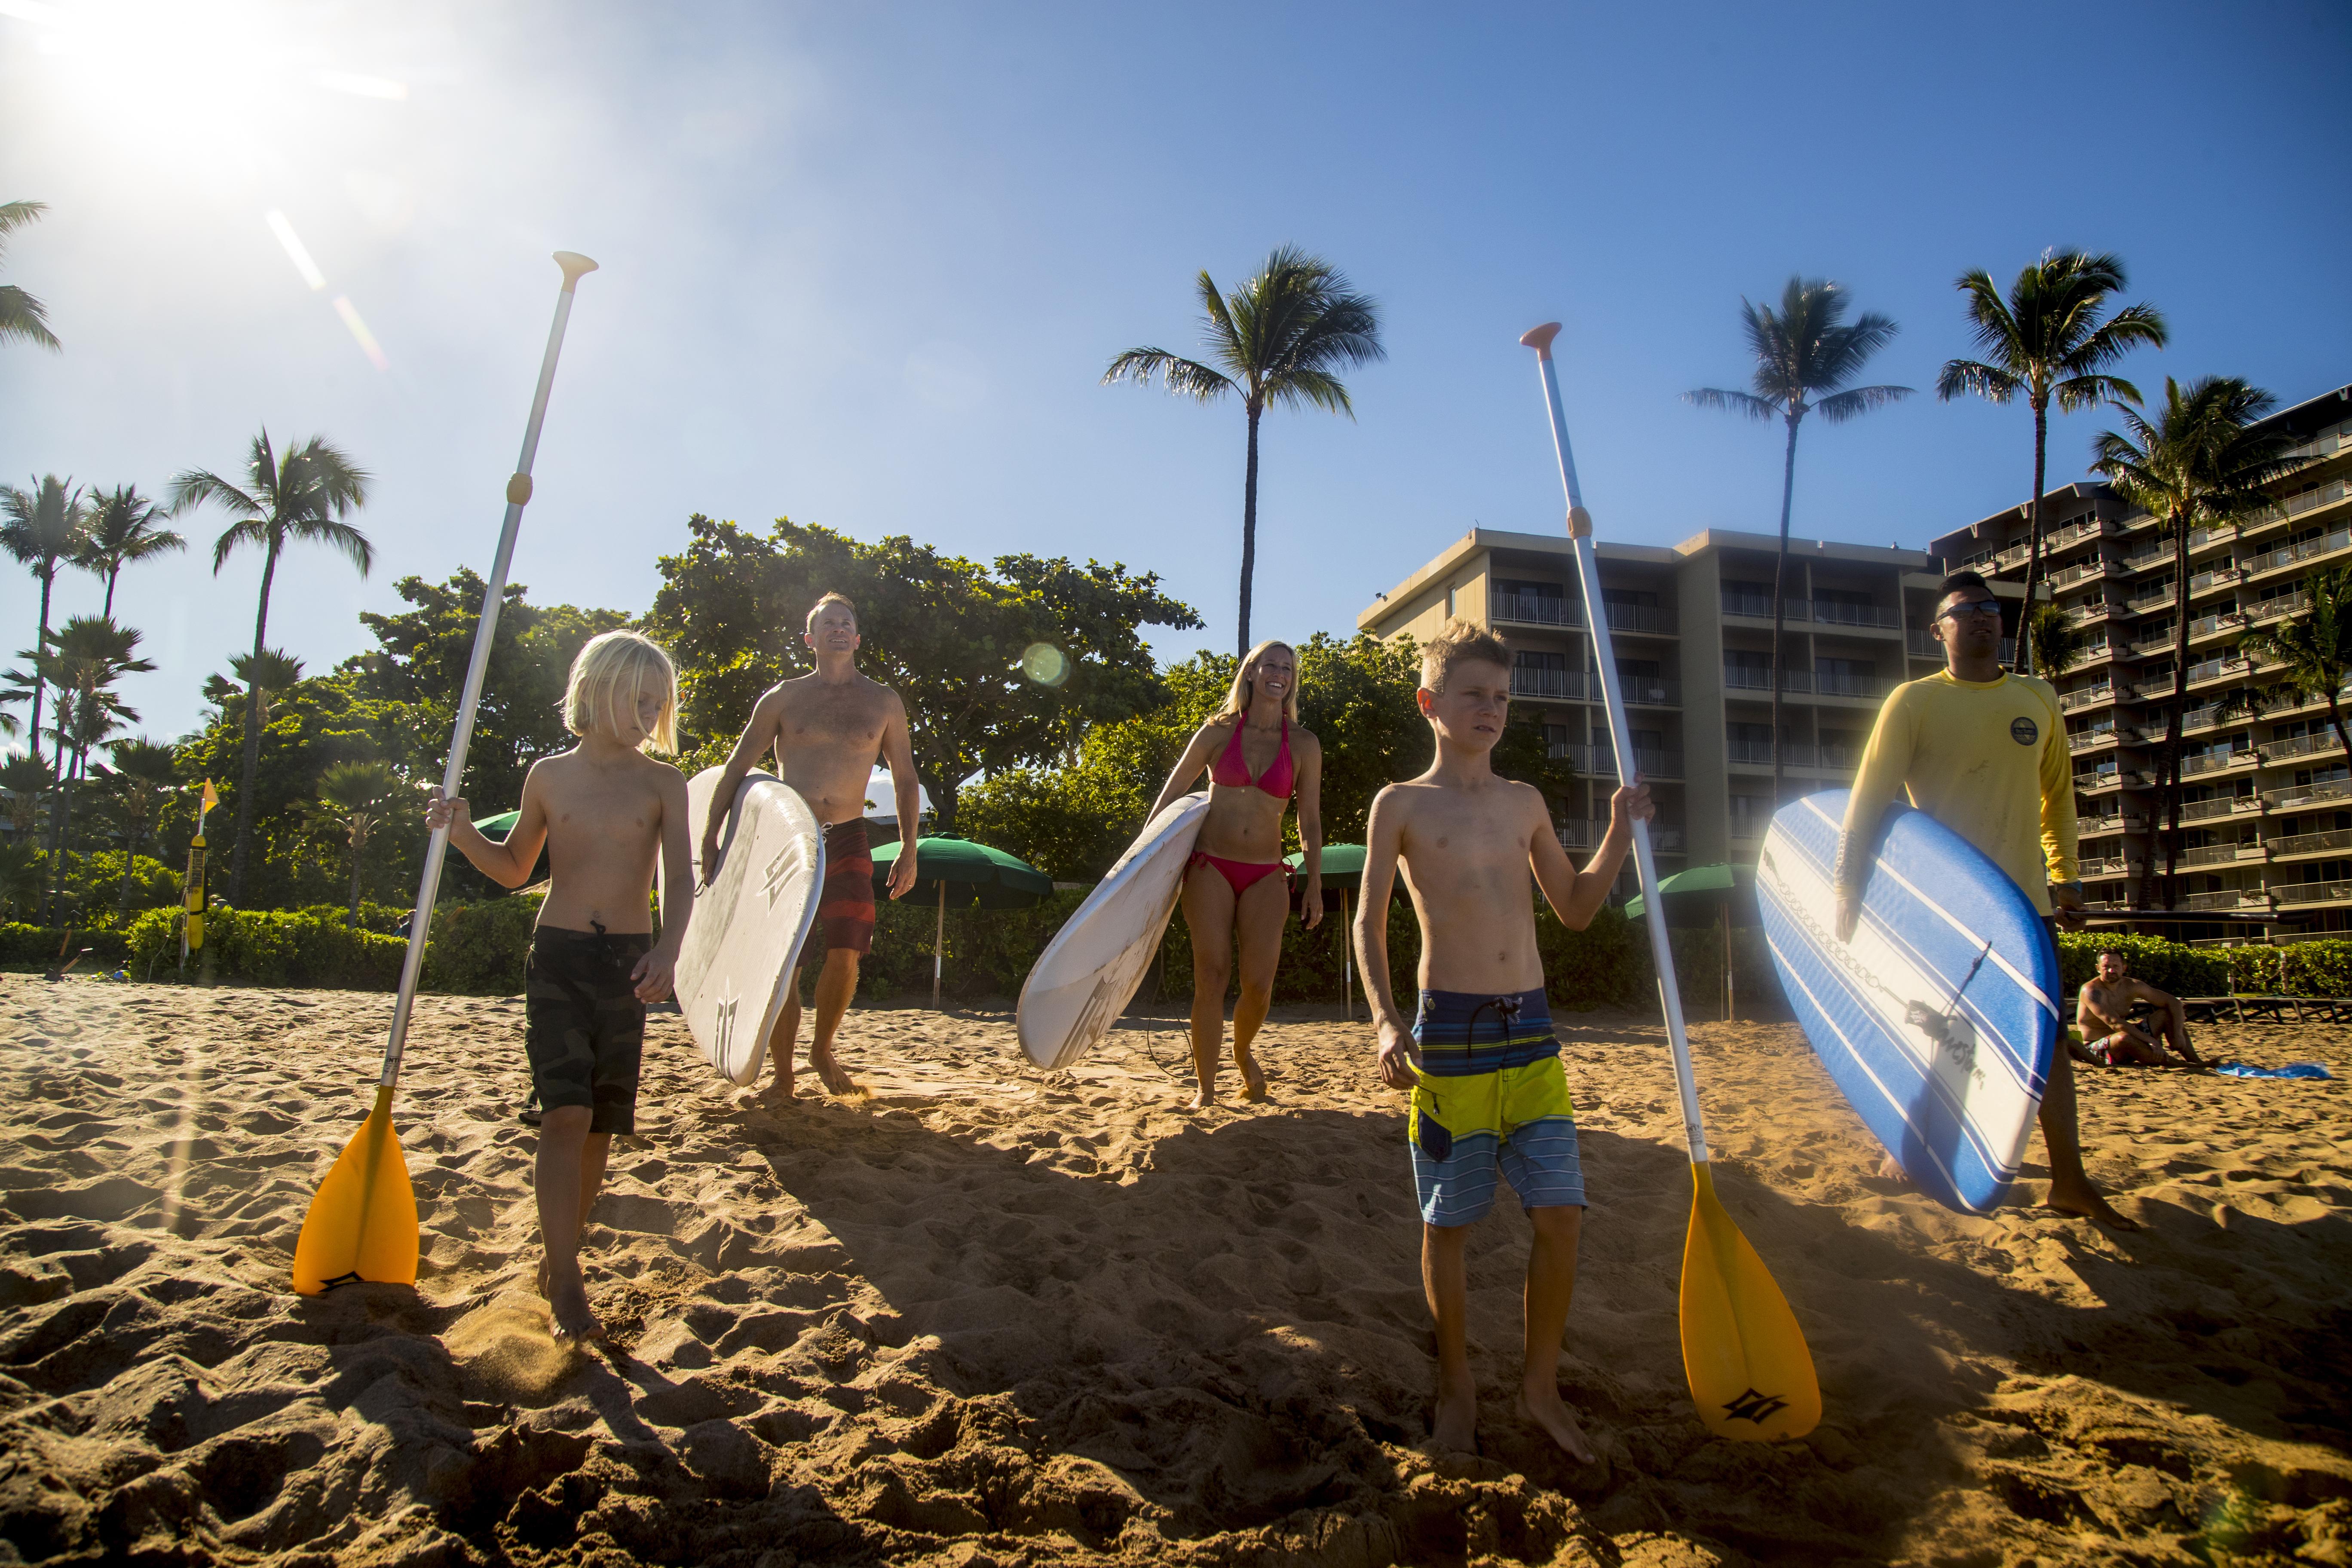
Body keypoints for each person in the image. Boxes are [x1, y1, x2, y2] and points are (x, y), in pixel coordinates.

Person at [1356, 619, 1652, 1460]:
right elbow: (1369, 924)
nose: (1492, 709)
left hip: (1534, 1033)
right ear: (1430, 703)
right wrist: (1384, 1019)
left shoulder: (1525, 803)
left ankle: (1539, 1388)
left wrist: (1620, 832)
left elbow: (1577, 907)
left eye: (1502, 696)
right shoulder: (1400, 805)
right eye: (1474, 694)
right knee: (1448, 1222)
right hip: (1447, 1034)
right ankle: (1456, 1385)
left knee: (1562, 1215)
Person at [1833, 570, 2135, 1229]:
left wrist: (2070, 877)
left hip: (2027, 903)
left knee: (2048, 1044)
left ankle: (2070, 1179)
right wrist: (1847, 885)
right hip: (1944, 905)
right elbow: (1867, 801)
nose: (1981, 618)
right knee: (1928, 1029)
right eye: (1963, 610)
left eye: (1990, 609)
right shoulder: (1913, 702)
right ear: (1937, 630)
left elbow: (2060, 799)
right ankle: (1907, 1148)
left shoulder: (2037, 698)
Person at [426, 630, 693, 1341]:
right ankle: (567, 1274)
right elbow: (515, 867)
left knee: (601, 1125)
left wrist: (670, 947)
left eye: (656, 702)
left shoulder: (663, 783)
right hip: (559, 955)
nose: (647, 712)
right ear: (596, 690)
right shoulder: (547, 775)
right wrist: (459, 835)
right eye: (636, 697)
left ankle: (559, 1256)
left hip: (630, 961)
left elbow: (680, 877)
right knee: (564, 1113)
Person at [703, 592, 920, 1098]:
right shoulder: (782, 698)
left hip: (848, 834)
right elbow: (737, 768)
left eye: (847, 622)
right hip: (788, 840)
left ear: (858, 638)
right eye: (828, 624)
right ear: (811, 639)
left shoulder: (883, 701)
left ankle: (821, 1050)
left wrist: (911, 847)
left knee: (847, 953)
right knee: (787, 961)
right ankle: (783, 1076)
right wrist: (711, 837)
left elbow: (906, 777)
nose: (839, 629)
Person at [1145, 640, 1325, 1107]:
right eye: (1270, 664)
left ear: (1292, 679)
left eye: (1287, 668)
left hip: (1267, 873)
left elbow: (1309, 818)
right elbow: (1175, 788)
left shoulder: (1304, 744)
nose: (1278, 673)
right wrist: (1142, 852)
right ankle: (1205, 1091)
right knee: (1211, 974)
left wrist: (1316, 884)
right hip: (1211, 866)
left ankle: (1243, 1052)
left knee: (1259, 985)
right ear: (1251, 672)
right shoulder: (1218, 731)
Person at [2076, 949, 2203, 1066]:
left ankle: (2195, 1061)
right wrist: (2150, 1040)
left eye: (2116, 967)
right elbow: (2114, 1023)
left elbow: (2173, 1002)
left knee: (2165, 1015)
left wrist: (2178, 1034)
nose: (2111, 971)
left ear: (2124, 968)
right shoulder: (2091, 991)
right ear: (2098, 968)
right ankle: (2179, 1064)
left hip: (2131, 1043)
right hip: (2096, 1048)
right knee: (2123, 1038)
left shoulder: (2132, 985)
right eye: (2106, 967)